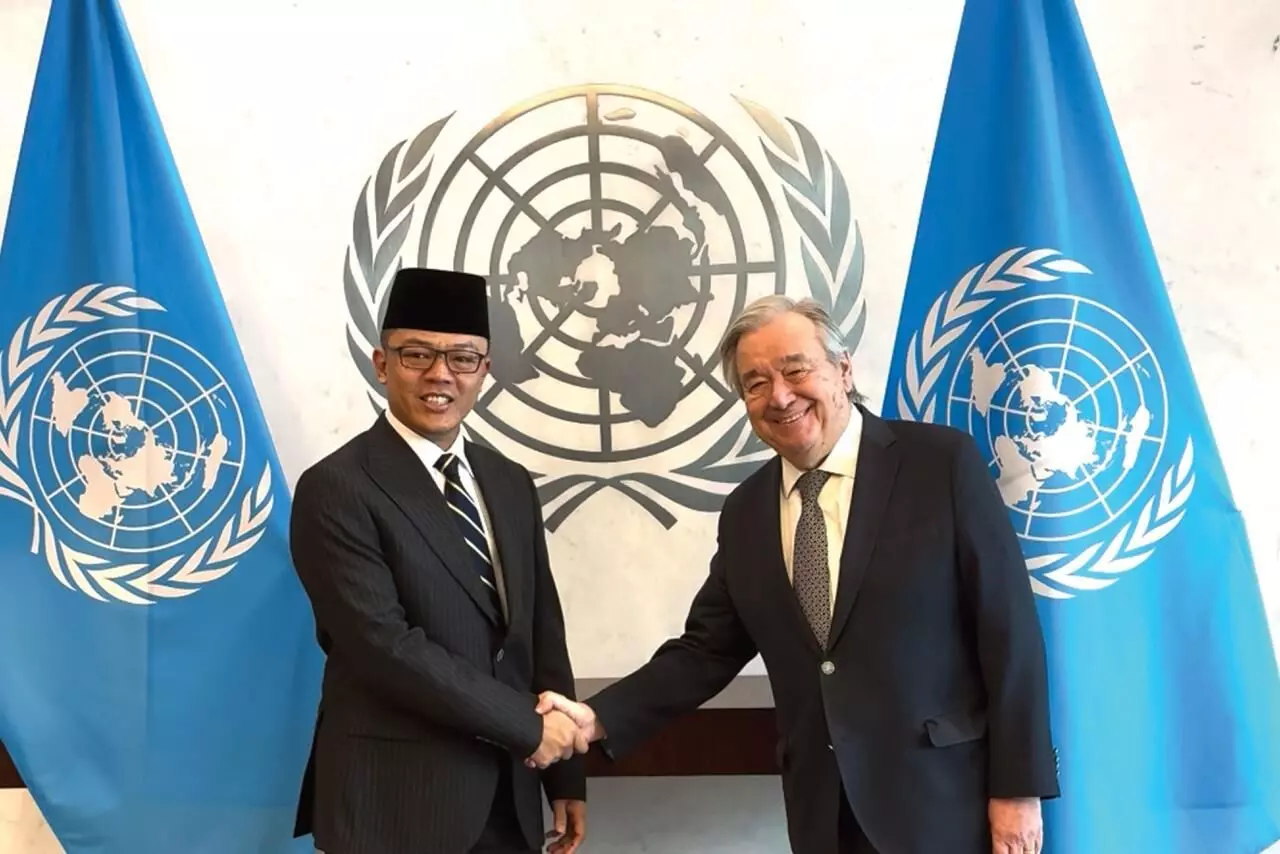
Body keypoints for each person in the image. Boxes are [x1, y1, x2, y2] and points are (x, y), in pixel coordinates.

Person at [537, 295, 1059, 854]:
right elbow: (705, 652)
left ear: (843, 369)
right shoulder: (746, 512)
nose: (780, 396)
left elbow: (1009, 632)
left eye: (795, 370)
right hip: (823, 814)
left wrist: (1018, 789)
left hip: (946, 806)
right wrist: (596, 717)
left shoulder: (940, 465)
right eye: (756, 383)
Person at [289, 268, 587, 854]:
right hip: (395, 807)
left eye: (462, 358)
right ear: (381, 364)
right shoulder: (336, 487)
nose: (440, 374)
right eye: (417, 354)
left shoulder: (509, 482)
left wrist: (565, 776)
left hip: (511, 800)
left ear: (485, 369)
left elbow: (540, 633)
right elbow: (384, 647)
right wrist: (529, 728)